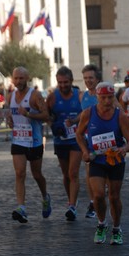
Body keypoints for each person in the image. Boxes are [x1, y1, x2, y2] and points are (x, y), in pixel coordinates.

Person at [76, 82, 129, 245]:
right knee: (98, 195)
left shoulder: (120, 115)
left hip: (115, 161)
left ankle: (116, 228)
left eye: (110, 97)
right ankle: (101, 224)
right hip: (97, 160)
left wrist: (124, 149)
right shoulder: (88, 113)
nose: (107, 101)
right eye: (103, 98)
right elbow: (79, 135)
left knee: (114, 197)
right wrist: (85, 152)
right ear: (97, 97)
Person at [6, 67, 52, 223]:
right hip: (18, 139)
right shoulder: (10, 95)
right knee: (20, 173)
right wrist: (10, 120)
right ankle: (21, 207)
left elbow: (46, 116)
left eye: (21, 78)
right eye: (16, 78)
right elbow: (10, 114)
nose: (18, 81)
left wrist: (28, 114)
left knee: (37, 174)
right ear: (12, 79)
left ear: (27, 78)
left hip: (34, 140)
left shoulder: (35, 95)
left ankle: (45, 197)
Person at [47, 66, 83, 220]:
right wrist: (54, 126)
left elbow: (86, 113)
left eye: (65, 82)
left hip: (76, 139)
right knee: (65, 174)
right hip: (60, 140)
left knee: (73, 172)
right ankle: (71, 200)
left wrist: (76, 121)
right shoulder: (52, 97)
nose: (63, 85)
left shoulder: (79, 95)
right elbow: (47, 115)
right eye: (60, 82)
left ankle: (72, 206)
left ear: (71, 81)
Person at [80, 64, 101, 219]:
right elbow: (83, 117)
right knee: (89, 171)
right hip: (89, 139)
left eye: (91, 78)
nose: (88, 81)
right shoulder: (83, 96)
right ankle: (93, 202)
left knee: (105, 173)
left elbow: (119, 111)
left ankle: (101, 198)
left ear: (97, 79)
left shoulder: (104, 95)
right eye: (85, 78)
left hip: (106, 140)